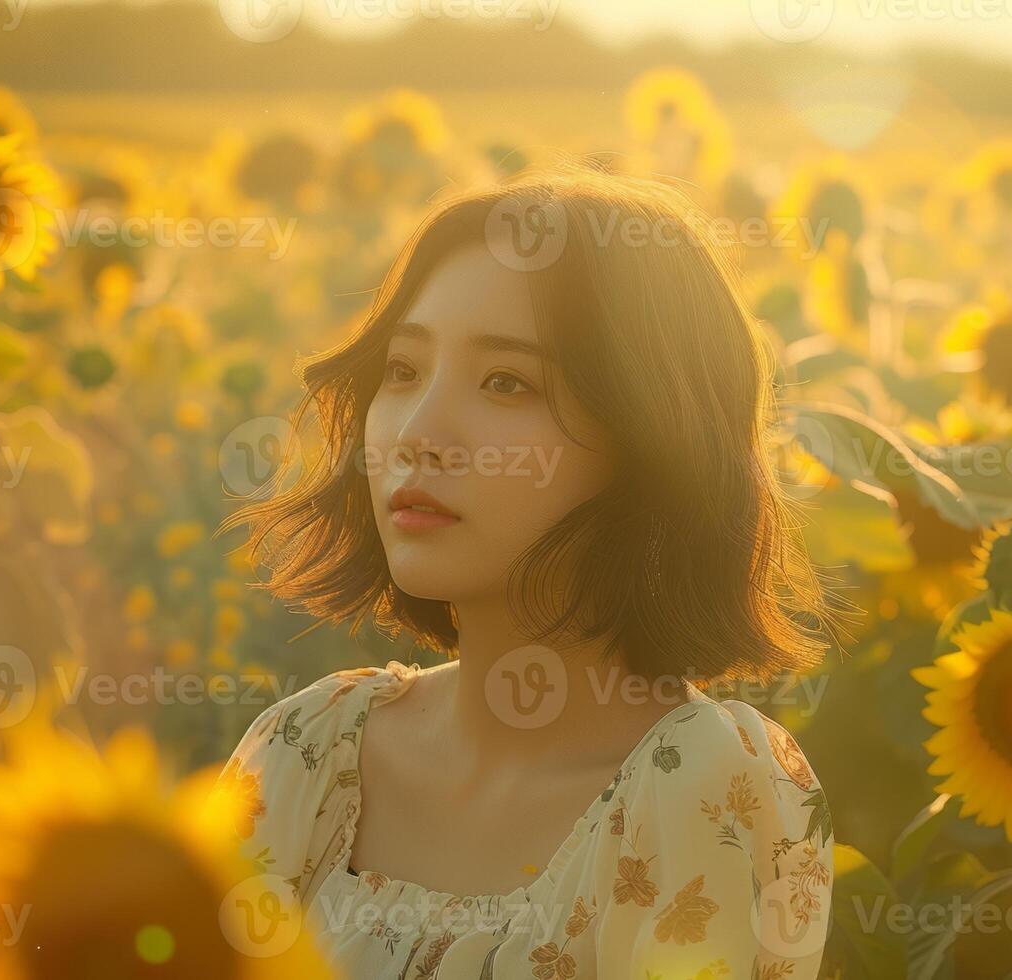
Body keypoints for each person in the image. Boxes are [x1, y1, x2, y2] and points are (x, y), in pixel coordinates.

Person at [214, 163, 849, 978]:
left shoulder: (699, 786)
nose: (417, 430)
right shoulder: (303, 751)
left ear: (651, 439)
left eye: (506, 382)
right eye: (402, 371)